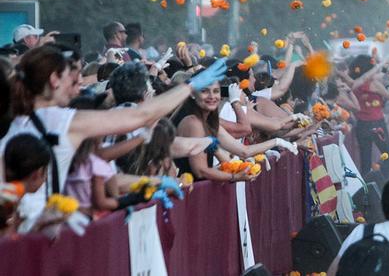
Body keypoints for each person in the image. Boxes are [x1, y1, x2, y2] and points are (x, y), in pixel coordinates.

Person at [0, 46, 227, 230]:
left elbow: (97, 168)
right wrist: (189, 86)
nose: (78, 86)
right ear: (54, 80)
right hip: (35, 229)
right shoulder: (59, 121)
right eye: (72, 79)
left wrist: (149, 184)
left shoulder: (18, 118)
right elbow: (141, 115)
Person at [344, 55, 389, 178]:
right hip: (377, 124)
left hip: (361, 125)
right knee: (388, 156)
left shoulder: (353, 84)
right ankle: (381, 184)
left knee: (365, 162)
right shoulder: (373, 84)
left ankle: (368, 191)